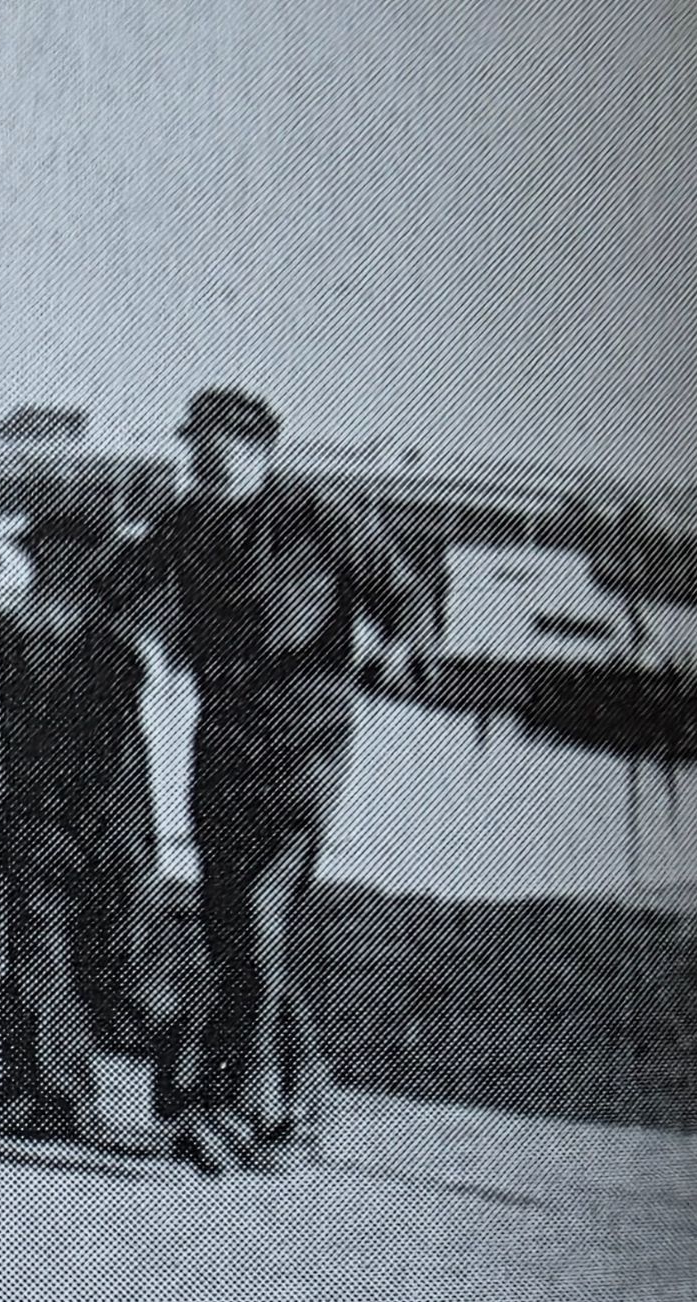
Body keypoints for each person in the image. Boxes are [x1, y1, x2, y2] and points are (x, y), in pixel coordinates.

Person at [116, 386, 426, 1174]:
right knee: (232, 921)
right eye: (196, 446)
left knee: (256, 912)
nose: (204, 459)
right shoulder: (188, 523)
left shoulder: (321, 513)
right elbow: (113, 582)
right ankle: (301, 1093)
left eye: (218, 446)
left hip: (306, 740)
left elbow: (404, 596)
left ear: (258, 450)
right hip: (223, 737)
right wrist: (17, 586)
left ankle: (232, 1103)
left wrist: (396, 650)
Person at [0, 503, 174, 1141]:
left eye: (71, 561)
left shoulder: (113, 651)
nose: (55, 571)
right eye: (46, 559)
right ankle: (62, 1095)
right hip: (41, 827)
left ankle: (197, 1074)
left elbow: (104, 748)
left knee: (121, 972)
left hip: (111, 831)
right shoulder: (3, 635)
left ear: (94, 569)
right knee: (43, 958)